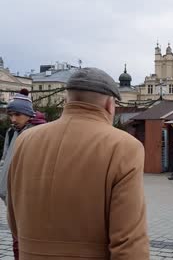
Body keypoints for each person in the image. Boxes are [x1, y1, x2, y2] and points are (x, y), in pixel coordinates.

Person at [7, 68, 149, 258]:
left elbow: (13, 217)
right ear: (109, 104)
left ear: (66, 101)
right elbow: (129, 240)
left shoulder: (25, 139)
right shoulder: (124, 146)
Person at [0, 89, 36, 260]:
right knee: (16, 239)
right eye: (11, 114)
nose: (13, 119)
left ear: (28, 114)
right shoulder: (12, 131)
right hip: (9, 193)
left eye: (18, 115)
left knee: (23, 240)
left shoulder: (35, 133)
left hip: (26, 195)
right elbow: (5, 159)